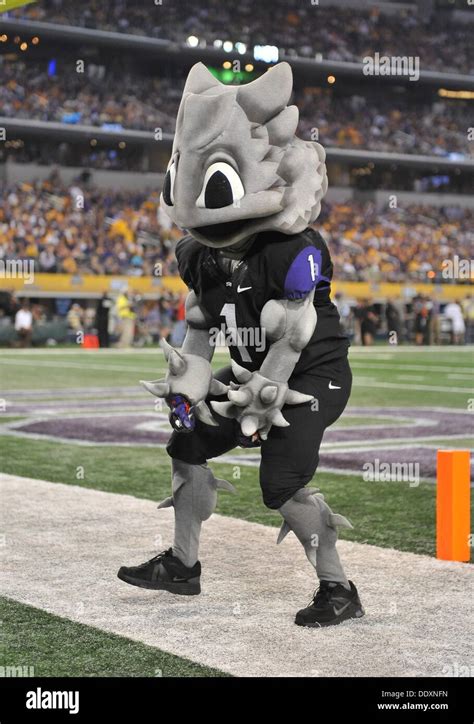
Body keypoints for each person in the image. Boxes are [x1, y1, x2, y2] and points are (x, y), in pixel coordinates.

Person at [119, 62, 364, 628]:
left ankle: (340, 588)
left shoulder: (293, 250)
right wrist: (189, 389)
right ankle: (183, 566)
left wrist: (261, 399)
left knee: (280, 483)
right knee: (186, 444)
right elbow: (200, 333)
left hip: (309, 373)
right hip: (251, 370)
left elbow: (293, 335)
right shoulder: (199, 254)